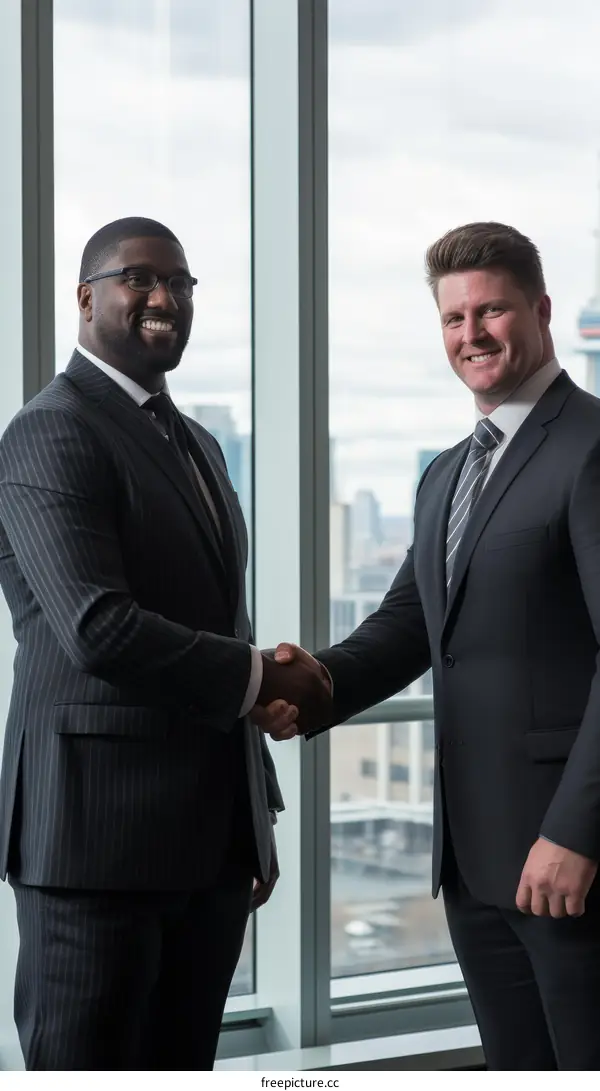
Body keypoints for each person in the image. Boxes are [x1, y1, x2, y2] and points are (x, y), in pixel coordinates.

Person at [263, 222, 600, 1070]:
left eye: (492, 311)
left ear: (542, 309)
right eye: (454, 319)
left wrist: (578, 832)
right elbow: (412, 625)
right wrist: (315, 683)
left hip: (570, 861)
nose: (472, 335)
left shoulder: (591, 448)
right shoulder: (446, 472)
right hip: (474, 864)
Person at [0, 216, 330, 1071]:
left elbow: (227, 625)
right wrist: (261, 676)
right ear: (86, 297)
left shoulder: (200, 445)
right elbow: (94, 626)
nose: (164, 299)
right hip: (94, 847)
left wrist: (249, 820)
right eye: (139, 278)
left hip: (207, 847)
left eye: (181, 284)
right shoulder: (50, 430)